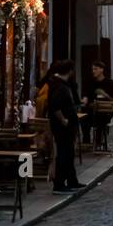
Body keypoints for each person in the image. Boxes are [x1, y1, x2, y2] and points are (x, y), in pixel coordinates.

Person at [44, 60, 82, 192]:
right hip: (62, 127)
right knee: (63, 154)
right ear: (70, 71)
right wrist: (64, 120)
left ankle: (72, 181)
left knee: (69, 153)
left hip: (66, 126)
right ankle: (59, 183)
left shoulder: (62, 84)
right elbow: (55, 106)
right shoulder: (60, 86)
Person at [82, 61, 113, 148]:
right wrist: (85, 99)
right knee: (83, 120)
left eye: (95, 69)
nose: (93, 71)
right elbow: (85, 94)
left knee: (100, 122)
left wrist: (105, 94)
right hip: (91, 111)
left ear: (102, 70)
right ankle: (86, 142)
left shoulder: (110, 83)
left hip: (105, 112)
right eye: (92, 69)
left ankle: (98, 141)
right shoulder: (90, 83)